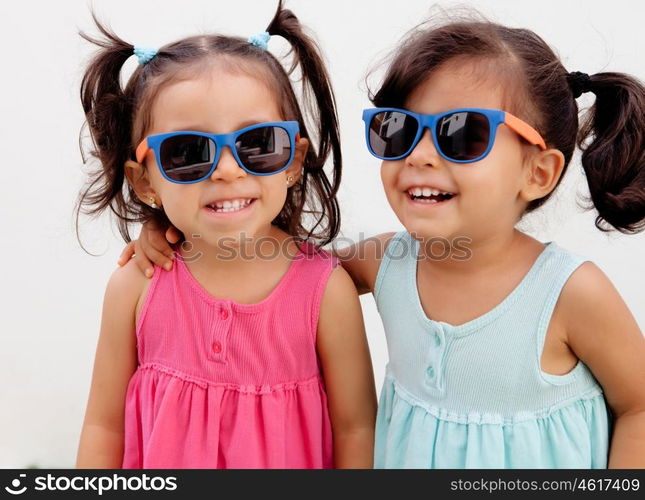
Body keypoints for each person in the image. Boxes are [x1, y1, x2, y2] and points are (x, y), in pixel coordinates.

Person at [122, 15, 645, 468]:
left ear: (538, 172)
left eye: (462, 134)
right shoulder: (388, 262)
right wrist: (171, 223)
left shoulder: (570, 293)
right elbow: (280, 271)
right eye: (398, 130)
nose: (418, 155)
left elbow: (639, 406)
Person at [75, 1, 376, 469]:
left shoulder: (326, 290)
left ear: (294, 162)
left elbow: (356, 429)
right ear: (146, 181)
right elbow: (103, 426)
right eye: (188, 152)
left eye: (258, 143)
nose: (228, 170)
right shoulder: (136, 286)